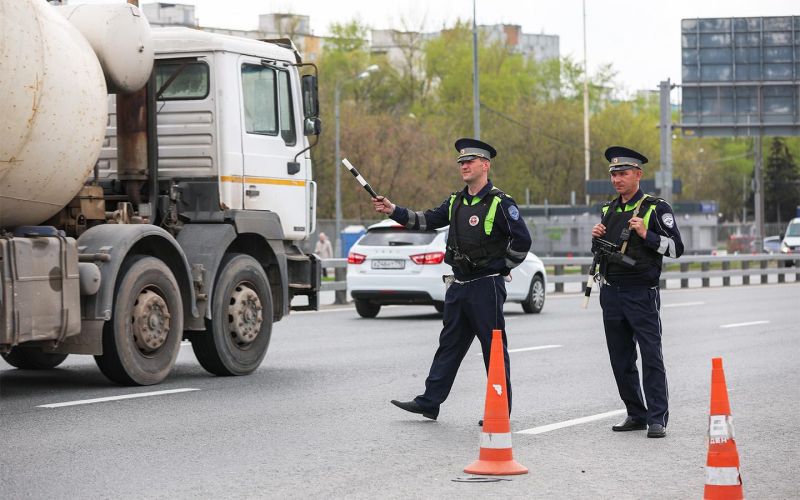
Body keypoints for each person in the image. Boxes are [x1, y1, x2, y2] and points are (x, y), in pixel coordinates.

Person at [372, 138, 532, 423]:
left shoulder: (500, 202)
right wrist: (392, 209)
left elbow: (522, 241)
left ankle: (499, 410)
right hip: (458, 285)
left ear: (485, 165)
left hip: (486, 287)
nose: (464, 166)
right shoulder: (456, 201)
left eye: (470, 161)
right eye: (461, 162)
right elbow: (426, 220)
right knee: (449, 345)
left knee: (493, 349)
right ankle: (429, 402)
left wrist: (501, 266)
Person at [590, 146, 684, 439]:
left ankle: (657, 418)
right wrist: (596, 239)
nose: (617, 179)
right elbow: (605, 252)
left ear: (638, 175)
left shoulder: (656, 208)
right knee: (620, 358)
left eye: (623, 173)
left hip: (641, 292)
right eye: (614, 174)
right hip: (611, 292)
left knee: (650, 356)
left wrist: (647, 234)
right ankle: (636, 412)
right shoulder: (609, 209)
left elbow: (676, 249)